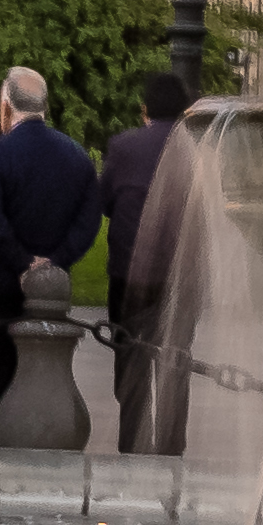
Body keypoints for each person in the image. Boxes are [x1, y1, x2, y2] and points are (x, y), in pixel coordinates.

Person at [0, 64, 106, 449]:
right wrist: (54, 262)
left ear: (6, 107)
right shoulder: (77, 157)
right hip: (53, 291)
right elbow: (89, 221)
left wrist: (22, 264)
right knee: (48, 372)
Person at [98, 67, 193, 454]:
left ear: (145, 109)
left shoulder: (123, 147)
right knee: (176, 361)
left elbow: (105, 201)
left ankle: (131, 443)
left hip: (130, 272)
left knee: (131, 360)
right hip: (181, 277)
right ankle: (171, 447)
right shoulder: (195, 149)